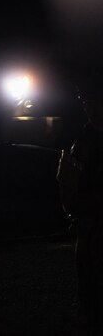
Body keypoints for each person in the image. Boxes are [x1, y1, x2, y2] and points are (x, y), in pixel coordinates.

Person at [59, 85, 103, 334]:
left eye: (93, 102)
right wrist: (73, 209)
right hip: (89, 215)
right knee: (86, 268)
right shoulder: (84, 138)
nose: (89, 108)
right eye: (87, 103)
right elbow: (69, 178)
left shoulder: (87, 138)